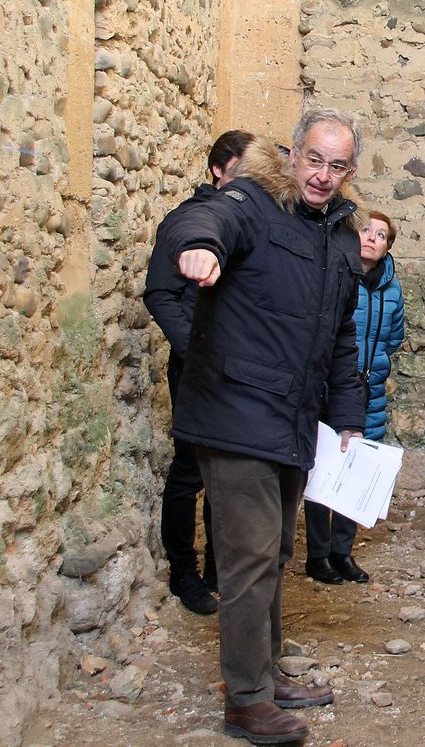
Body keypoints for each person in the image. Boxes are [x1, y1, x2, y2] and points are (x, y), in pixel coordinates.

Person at [164, 109, 368, 745]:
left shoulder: (338, 234)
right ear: (291, 153)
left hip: (290, 417)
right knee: (250, 557)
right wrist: (199, 248)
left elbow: (338, 333)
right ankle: (246, 701)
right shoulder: (251, 200)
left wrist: (349, 417)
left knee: (275, 550)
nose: (322, 175)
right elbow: (204, 219)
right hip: (233, 412)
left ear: (349, 171)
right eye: (313, 159)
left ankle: (265, 671)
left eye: (337, 166)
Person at [144, 129, 253, 616]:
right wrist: (198, 349)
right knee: (189, 472)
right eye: (244, 167)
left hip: (239, 367)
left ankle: (217, 570)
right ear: (218, 169)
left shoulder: (250, 223)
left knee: (227, 471)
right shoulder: (188, 220)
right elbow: (161, 295)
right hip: (197, 365)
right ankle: (184, 574)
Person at [304, 211, 406, 585]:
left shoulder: (392, 288)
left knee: (357, 469)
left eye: (381, 235)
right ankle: (317, 554)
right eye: (366, 230)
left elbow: (395, 335)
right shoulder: (338, 274)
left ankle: (341, 551)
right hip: (331, 386)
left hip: (368, 389)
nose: (371, 238)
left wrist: (374, 367)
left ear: (387, 247)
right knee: (322, 468)